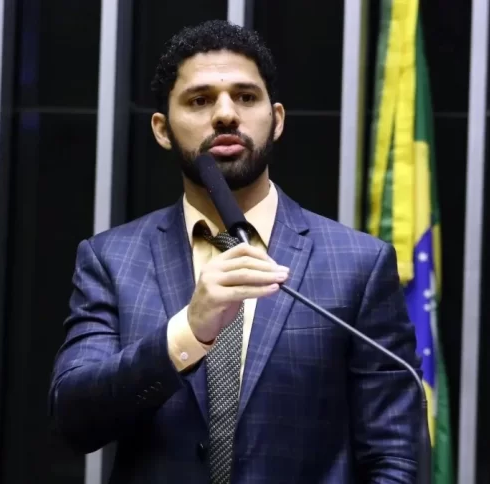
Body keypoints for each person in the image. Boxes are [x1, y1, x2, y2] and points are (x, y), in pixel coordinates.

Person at [49, 19, 423, 484]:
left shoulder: (358, 264)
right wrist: (188, 332)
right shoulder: (111, 259)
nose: (226, 114)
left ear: (277, 119)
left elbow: (395, 459)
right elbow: (74, 415)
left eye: (246, 97)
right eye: (200, 100)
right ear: (163, 129)